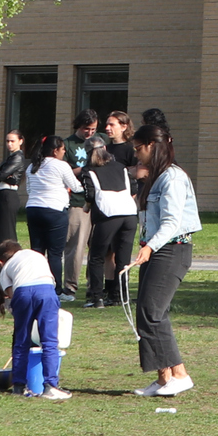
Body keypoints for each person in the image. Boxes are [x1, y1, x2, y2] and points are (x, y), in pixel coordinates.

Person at [130, 122, 201, 397]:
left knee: (152, 311)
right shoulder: (154, 177)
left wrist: (149, 248)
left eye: (139, 148)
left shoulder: (173, 177)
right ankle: (163, 378)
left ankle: (180, 374)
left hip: (173, 250)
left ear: (152, 146)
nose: (136, 154)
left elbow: (171, 222)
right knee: (148, 312)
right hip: (155, 250)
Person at [0, 241, 70, 400]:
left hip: (23, 292)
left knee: (21, 341)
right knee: (49, 341)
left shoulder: (6, 269)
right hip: (46, 290)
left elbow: (11, 294)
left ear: (0, 261)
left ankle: (19, 386)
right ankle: (50, 386)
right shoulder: (37, 255)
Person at [81, 112, 140, 308]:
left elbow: (89, 195)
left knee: (97, 256)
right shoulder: (120, 167)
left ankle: (96, 297)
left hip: (107, 214)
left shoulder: (89, 170)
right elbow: (133, 188)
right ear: (105, 149)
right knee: (123, 257)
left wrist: (88, 206)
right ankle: (120, 296)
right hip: (129, 214)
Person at [22, 135, 78, 296]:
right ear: (55, 151)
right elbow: (75, 186)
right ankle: (57, 289)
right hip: (54, 209)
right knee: (54, 253)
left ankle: (35, 285)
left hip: (33, 209)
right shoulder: (61, 166)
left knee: (37, 251)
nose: (64, 152)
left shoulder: (33, 165)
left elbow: (29, 190)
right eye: (62, 149)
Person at [62, 111, 100, 299]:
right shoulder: (67, 144)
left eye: (93, 129)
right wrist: (85, 169)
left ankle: (94, 287)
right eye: (86, 128)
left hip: (100, 202)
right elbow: (63, 171)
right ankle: (70, 286)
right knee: (75, 247)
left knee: (98, 248)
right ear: (78, 125)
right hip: (77, 201)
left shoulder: (99, 142)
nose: (90, 133)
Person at [0, 130, 27, 278]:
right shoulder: (11, 157)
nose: (9, 144)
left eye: (13, 141)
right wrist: (1, 176)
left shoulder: (18, 157)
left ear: (20, 141)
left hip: (9, 195)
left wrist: (2, 176)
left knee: (6, 234)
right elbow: (1, 175)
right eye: (7, 141)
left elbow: (1, 175)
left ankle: (6, 269)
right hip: (3, 194)